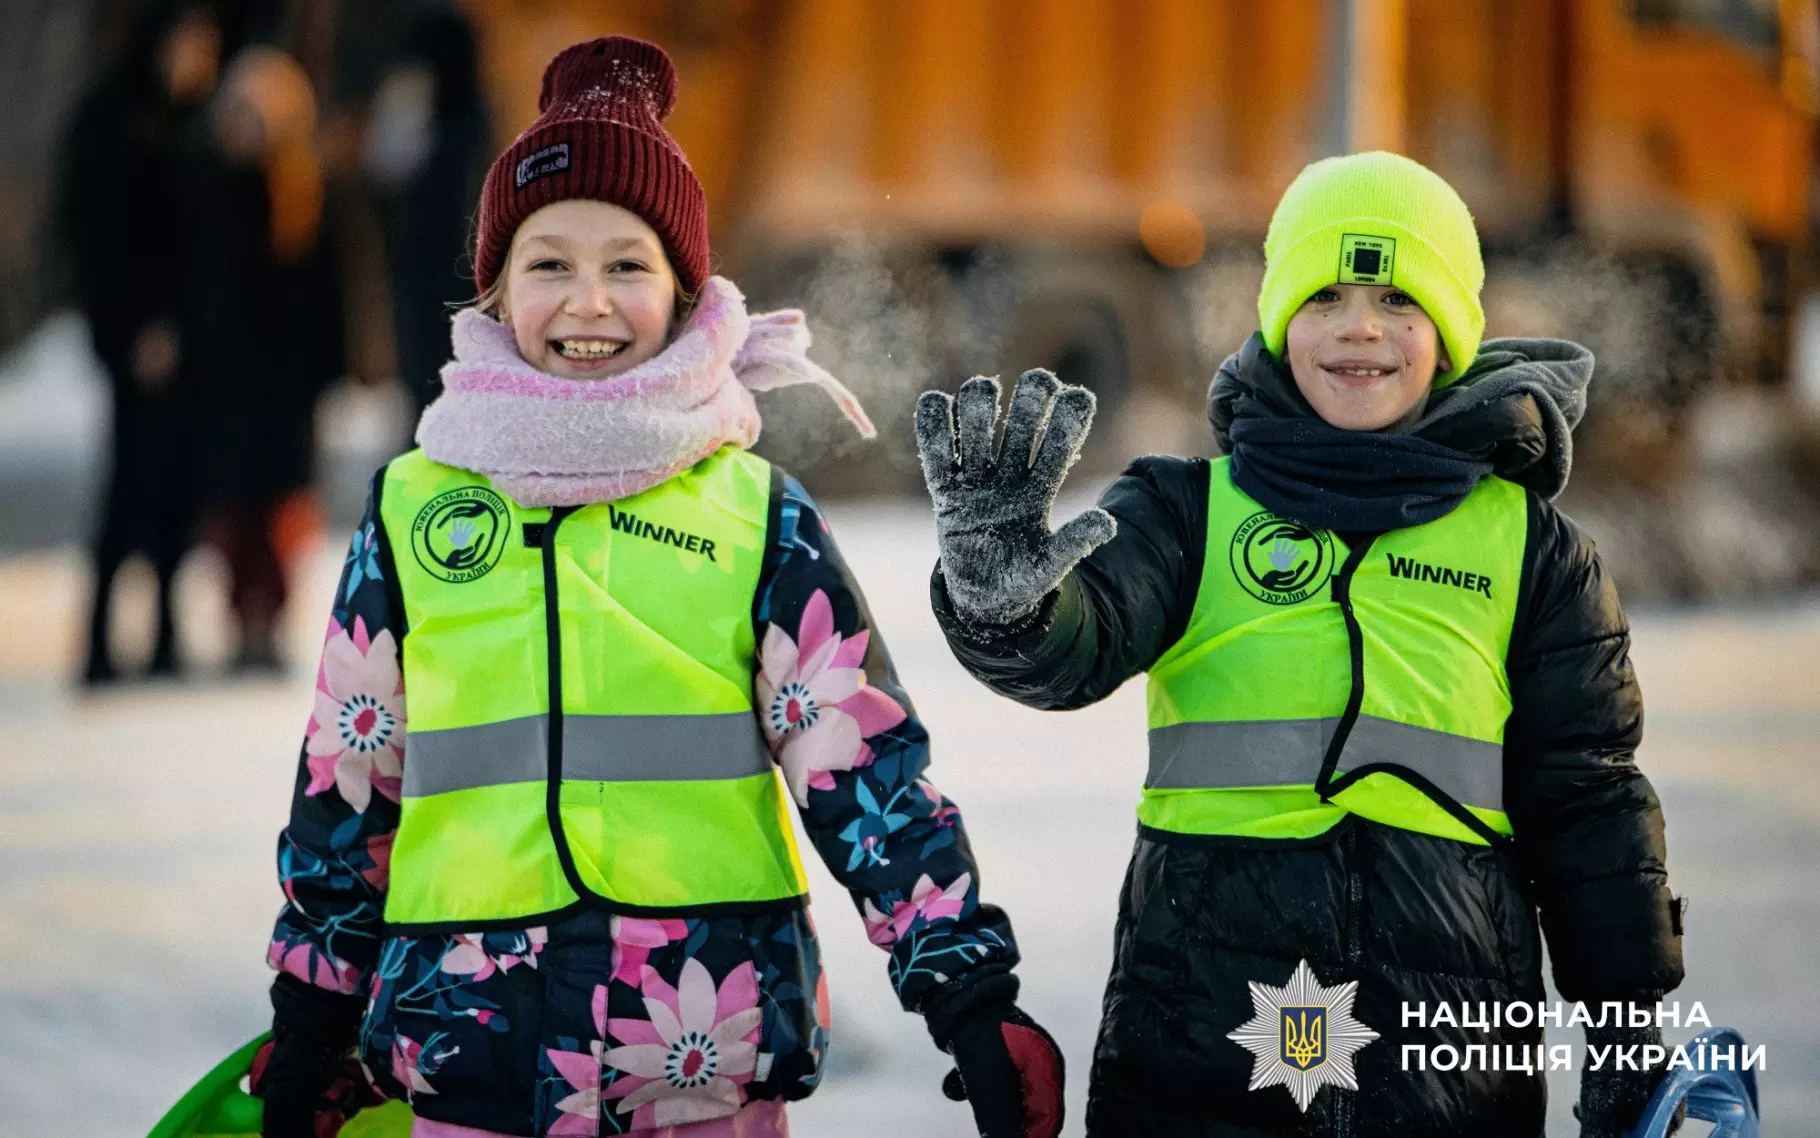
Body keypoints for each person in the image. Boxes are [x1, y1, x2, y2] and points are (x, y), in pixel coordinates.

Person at [251, 37, 1063, 1138]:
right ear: (495, 288)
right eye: (548, 264)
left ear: (684, 290)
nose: (588, 302)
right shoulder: (415, 510)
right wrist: (313, 1014)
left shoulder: (752, 512)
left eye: (626, 265)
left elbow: (865, 769)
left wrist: (969, 992)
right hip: (473, 1056)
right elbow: (348, 777)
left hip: (700, 1061)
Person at [915, 152, 1685, 1137]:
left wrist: (1626, 1038)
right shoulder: (1185, 512)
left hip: (1445, 1071)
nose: (1359, 326)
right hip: (1196, 1046)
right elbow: (1074, 643)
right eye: (1323, 294)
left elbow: (1589, 804)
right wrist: (1002, 606)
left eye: (1398, 299)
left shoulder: (1532, 552)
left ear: (1448, 334)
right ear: (1278, 321)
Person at [58, 0, 229, 684]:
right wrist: (137, 326)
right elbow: (98, 238)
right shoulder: (112, 120)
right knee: (131, 486)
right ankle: (100, 641)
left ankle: (163, 635)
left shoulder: (191, 119)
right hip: (137, 339)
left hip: (191, 341)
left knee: (179, 492)